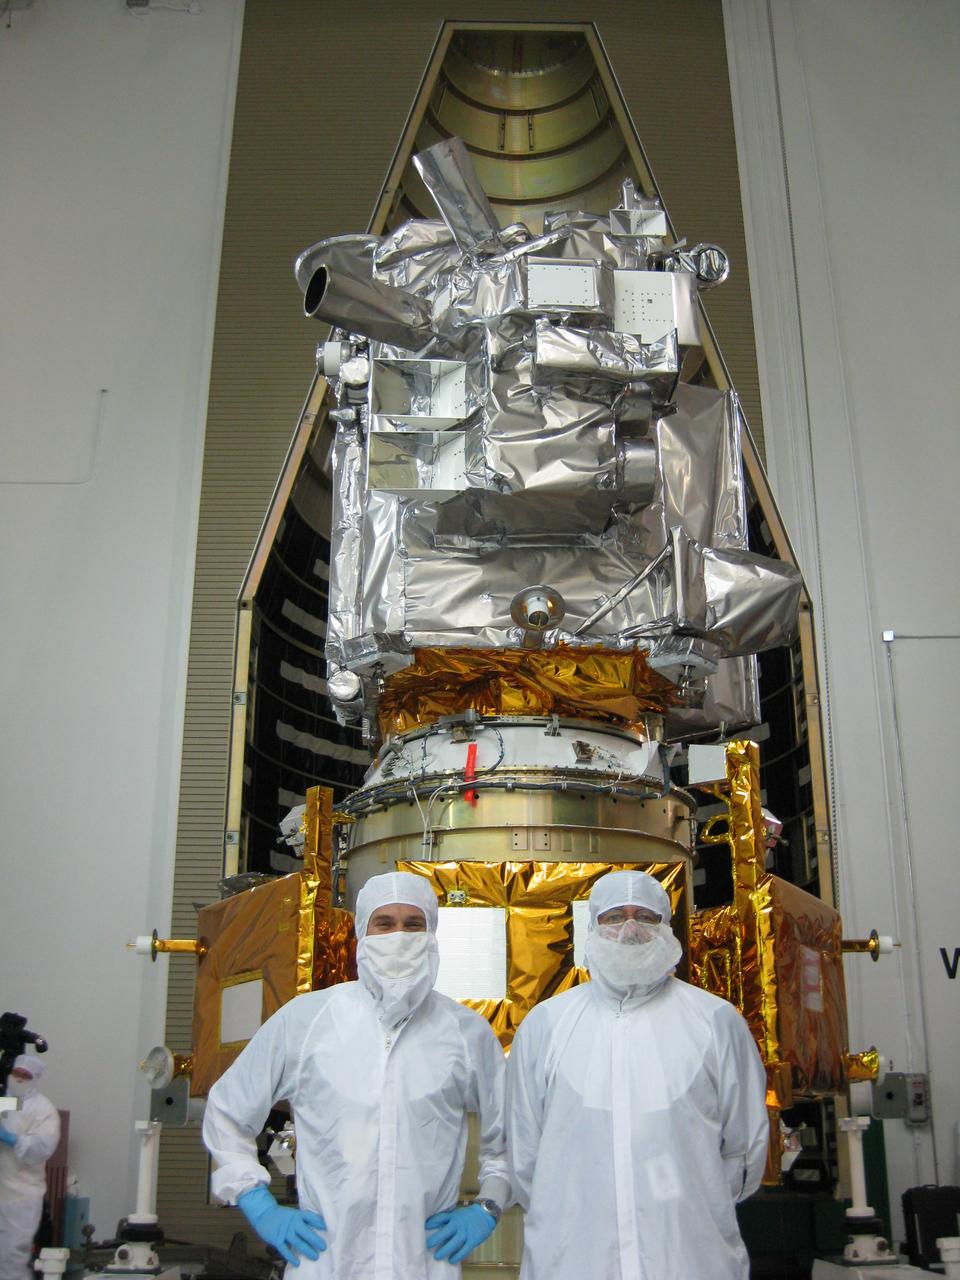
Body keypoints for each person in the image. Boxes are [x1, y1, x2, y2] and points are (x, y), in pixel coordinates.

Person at [203, 871, 508, 1278]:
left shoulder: (465, 1033)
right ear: (363, 935)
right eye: (384, 923)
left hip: (423, 1262)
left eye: (413, 924)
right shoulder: (307, 1020)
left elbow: (511, 1134)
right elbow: (227, 1110)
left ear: (432, 934)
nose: (399, 935)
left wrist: (489, 1205)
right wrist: (258, 1203)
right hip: (324, 1261)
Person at [507, 869, 769, 1280]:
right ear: (591, 927)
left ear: (667, 927)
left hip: (691, 1260)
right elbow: (525, 1157)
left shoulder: (715, 1021)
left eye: (645, 917)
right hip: (573, 1260)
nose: (629, 929)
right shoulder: (547, 1025)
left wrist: (694, 1206)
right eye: (614, 917)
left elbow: (746, 1150)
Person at [0, 1055, 61, 1280]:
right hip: (2, 1188)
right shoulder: (4, 1100)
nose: (19, 1079)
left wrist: (13, 1139)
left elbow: (42, 1148)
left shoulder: (43, 1109)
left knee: (12, 1258)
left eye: (26, 1076)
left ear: (35, 1079)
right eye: (17, 1074)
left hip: (21, 1197)